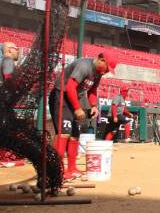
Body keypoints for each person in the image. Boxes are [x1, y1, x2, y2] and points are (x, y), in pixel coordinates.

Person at [49, 52, 116, 180]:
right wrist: (77, 108)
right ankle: (57, 170)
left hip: (73, 99)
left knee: (75, 135)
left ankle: (72, 168)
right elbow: (69, 87)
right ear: (101, 60)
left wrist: (94, 105)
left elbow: (92, 91)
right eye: (107, 68)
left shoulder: (98, 73)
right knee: (64, 133)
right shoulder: (84, 65)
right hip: (61, 96)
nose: (106, 72)